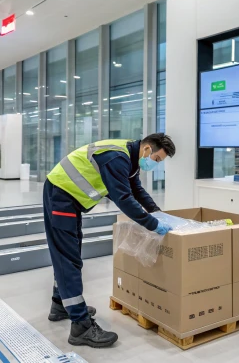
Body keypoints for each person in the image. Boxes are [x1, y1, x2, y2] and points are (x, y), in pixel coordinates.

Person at [44, 133, 176, 348]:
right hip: (61, 196)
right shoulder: (117, 157)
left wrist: (157, 212)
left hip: (69, 198)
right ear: (147, 149)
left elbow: (135, 189)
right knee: (67, 259)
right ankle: (81, 326)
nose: (155, 164)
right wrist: (153, 224)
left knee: (71, 253)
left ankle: (60, 305)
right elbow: (123, 197)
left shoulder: (131, 159)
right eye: (157, 160)